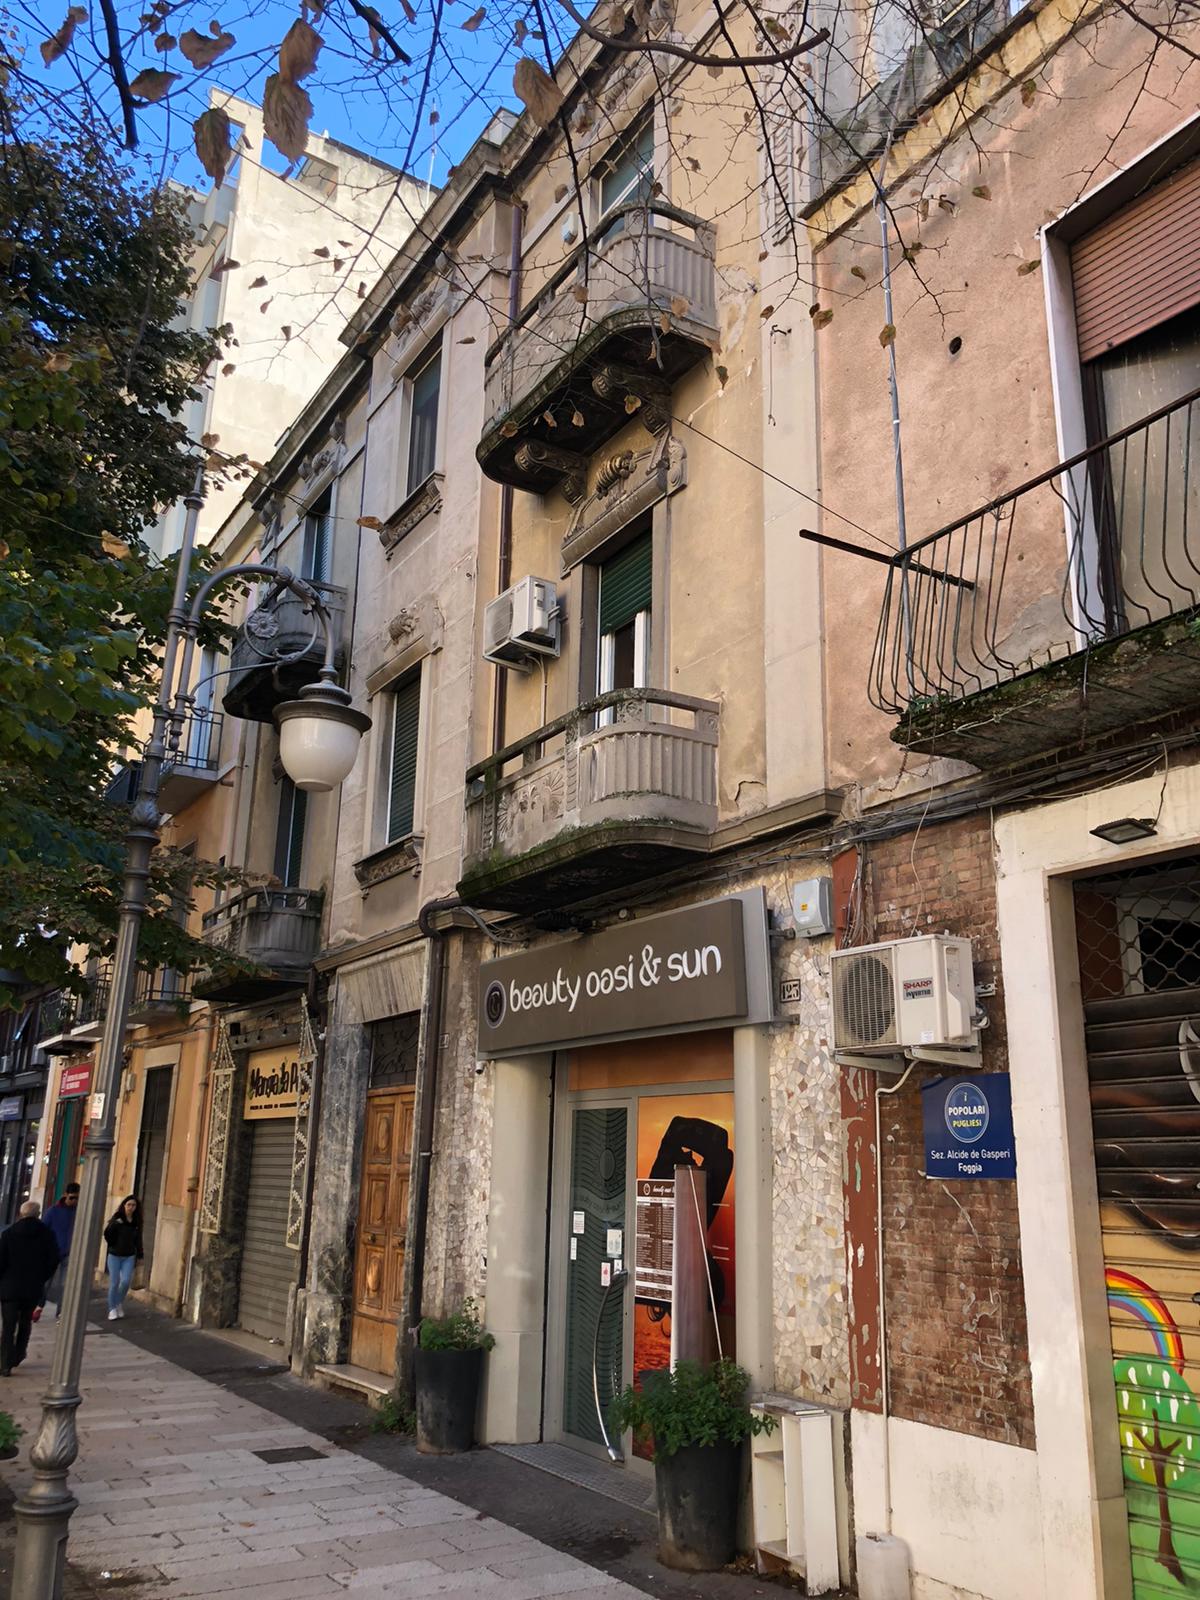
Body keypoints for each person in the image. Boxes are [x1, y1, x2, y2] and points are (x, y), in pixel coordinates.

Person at [0, 1201, 60, 1376]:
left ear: (21, 1213)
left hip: (10, 1287)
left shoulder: (9, 1233)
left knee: (8, 1325)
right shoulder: (46, 1234)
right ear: (38, 1214)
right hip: (32, 1286)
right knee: (25, 1321)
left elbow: (1, 1260)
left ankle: (5, 1363)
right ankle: (19, 1353)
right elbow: (53, 1259)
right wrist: (42, 1276)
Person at [42, 1182, 80, 1318]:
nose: (74, 1201)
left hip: (69, 1253)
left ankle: (61, 1312)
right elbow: (43, 1230)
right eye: (72, 1198)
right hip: (52, 1252)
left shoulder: (79, 1212)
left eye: (77, 1198)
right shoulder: (53, 1211)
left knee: (65, 1285)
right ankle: (38, 1305)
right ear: (65, 1195)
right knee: (46, 1282)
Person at [102, 1195, 143, 1321]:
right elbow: (107, 1234)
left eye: (133, 1205)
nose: (131, 1207)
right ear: (124, 1206)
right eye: (128, 1205)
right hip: (114, 1255)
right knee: (114, 1282)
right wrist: (114, 1225)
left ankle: (118, 1302)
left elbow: (138, 1239)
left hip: (129, 1256)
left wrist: (140, 1255)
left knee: (125, 1282)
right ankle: (112, 1309)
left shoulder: (136, 1222)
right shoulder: (117, 1218)